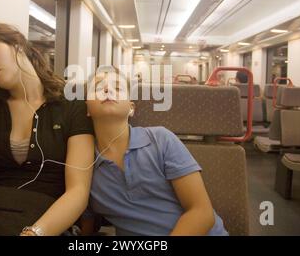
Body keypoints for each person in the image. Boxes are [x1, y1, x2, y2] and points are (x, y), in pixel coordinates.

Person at [0, 23, 94, 236]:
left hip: (50, 221)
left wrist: (35, 233)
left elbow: (78, 192)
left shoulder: (72, 106)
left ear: (17, 44)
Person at [81, 67, 228, 236]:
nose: (108, 90)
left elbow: (202, 212)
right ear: (87, 108)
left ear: (131, 108)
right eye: (98, 87)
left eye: (118, 88)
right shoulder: (84, 166)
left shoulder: (160, 139)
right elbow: (87, 225)